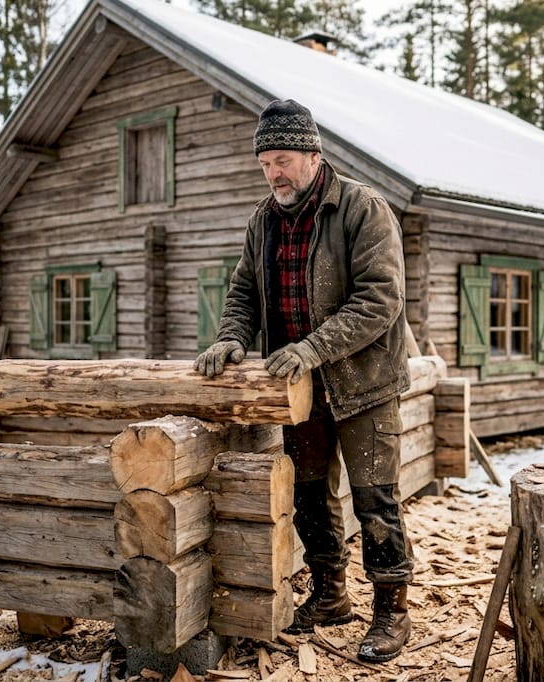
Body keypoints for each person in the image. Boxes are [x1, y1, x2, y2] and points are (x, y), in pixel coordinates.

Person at [193, 98, 414, 663]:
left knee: (375, 497)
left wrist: (315, 347)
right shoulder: (262, 222)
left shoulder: (363, 209)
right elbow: (244, 292)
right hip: (299, 389)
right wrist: (231, 337)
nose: (274, 173)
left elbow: (380, 299)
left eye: (284, 159)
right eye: (265, 162)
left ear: (314, 156)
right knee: (312, 496)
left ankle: (392, 612)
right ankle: (331, 595)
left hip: (363, 382)